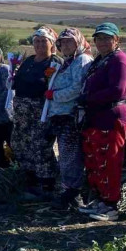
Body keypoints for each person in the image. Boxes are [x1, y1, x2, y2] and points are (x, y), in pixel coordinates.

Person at [77, 23, 126, 222]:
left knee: (110, 161)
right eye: (98, 38)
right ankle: (101, 199)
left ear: (116, 40)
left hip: (111, 116)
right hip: (96, 117)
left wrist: (88, 98)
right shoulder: (101, 60)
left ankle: (111, 206)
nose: (101, 42)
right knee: (95, 161)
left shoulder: (119, 60)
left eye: (106, 38)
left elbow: (118, 90)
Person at [11, 27, 64, 196]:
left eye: (44, 41)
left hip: (41, 113)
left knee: (40, 147)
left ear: (52, 43)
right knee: (20, 146)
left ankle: (48, 185)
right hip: (21, 114)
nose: (40, 44)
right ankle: (31, 181)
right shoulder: (29, 61)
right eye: (37, 41)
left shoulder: (55, 63)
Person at [47, 28, 93, 208]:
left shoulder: (82, 60)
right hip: (60, 115)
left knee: (71, 156)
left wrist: (54, 96)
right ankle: (70, 191)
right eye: (63, 42)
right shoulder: (67, 62)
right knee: (67, 155)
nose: (65, 45)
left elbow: (78, 88)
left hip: (72, 116)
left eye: (69, 42)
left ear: (78, 42)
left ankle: (73, 193)